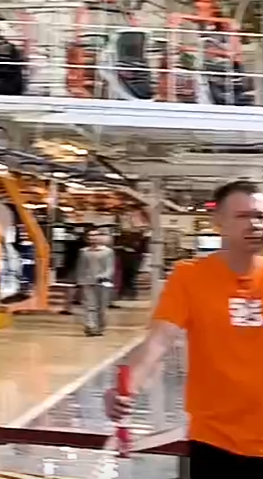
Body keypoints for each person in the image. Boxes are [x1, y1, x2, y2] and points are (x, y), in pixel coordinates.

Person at [106, 180, 263, 472]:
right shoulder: (190, 278)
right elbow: (158, 341)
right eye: (243, 216)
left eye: (260, 217)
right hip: (216, 440)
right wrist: (126, 388)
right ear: (219, 222)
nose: (255, 225)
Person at [77, 230, 116, 336]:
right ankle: (90, 326)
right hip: (87, 281)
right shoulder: (84, 252)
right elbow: (81, 267)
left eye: (95, 235)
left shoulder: (108, 251)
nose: (93, 238)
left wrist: (105, 276)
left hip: (103, 282)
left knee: (102, 307)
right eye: (90, 235)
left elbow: (110, 267)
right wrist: (79, 280)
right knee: (90, 305)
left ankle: (100, 326)